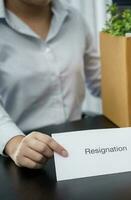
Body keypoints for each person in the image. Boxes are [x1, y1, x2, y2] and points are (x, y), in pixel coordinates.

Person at [0, 0, 101, 169]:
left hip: (75, 149)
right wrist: (14, 142)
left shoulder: (74, 18)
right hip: (18, 155)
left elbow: (100, 80)